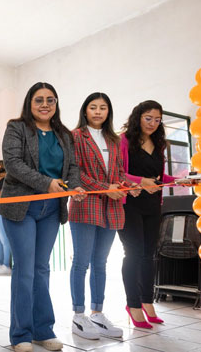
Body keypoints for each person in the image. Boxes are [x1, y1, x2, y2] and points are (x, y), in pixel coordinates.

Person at [0, 82, 85, 352]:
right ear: (30, 103)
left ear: (56, 104)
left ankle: (43, 330)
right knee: (24, 269)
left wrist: (75, 186)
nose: (45, 104)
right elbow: (13, 163)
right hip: (21, 207)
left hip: (51, 209)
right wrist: (46, 183)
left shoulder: (64, 134)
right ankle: (21, 335)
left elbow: (72, 166)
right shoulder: (17, 127)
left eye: (50, 100)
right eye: (39, 100)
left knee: (41, 269)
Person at [68, 92, 138, 340]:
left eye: (103, 108)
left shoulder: (115, 139)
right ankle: (78, 315)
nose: (98, 112)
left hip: (111, 208)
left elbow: (119, 171)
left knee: (101, 262)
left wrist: (124, 185)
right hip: (85, 205)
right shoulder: (75, 137)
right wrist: (104, 187)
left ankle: (97, 313)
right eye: (93, 107)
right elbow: (74, 174)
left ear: (108, 112)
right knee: (81, 262)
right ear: (85, 110)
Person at [118, 100, 187, 329]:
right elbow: (117, 173)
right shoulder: (124, 140)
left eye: (157, 119)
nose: (153, 123)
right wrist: (140, 181)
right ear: (138, 116)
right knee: (134, 253)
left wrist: (179, 180)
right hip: (130, 204)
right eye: (148, 118)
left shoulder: (158, 144)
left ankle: (148, 302)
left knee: (149, 255)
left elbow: (159, 177)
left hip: (152, 205)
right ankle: (133, 305)